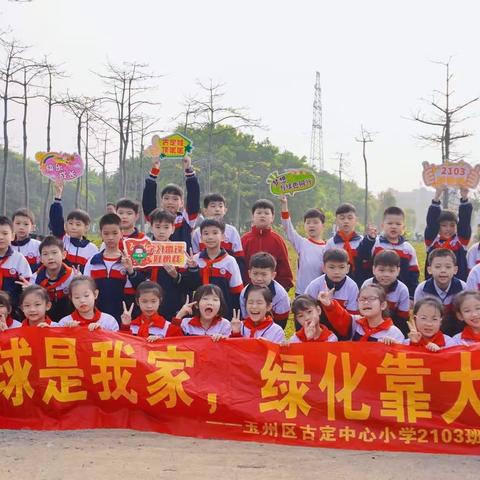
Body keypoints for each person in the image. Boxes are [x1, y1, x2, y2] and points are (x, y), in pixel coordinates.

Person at [134, 209, 198, 320]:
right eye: (158, 227)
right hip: (149, 305)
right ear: (151, 227)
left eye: (166, 227)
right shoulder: (144, 251)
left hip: (173, 304)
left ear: (173, 229)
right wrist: (131, 271)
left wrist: (176, 276)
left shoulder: (179, 252)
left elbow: (191, 285)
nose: (161, 231)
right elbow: (138, 282)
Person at [84, 214, 141, 324]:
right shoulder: (92, 262)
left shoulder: (129, 260)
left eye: (115, 233)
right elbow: (87, 290)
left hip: (123, 317)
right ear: (101, 234)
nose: (110, 237)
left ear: (122, 233)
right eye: (106, 233)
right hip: (97, 317)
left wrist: (130, 271)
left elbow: (138, 287)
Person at [358, 206, 419, 298]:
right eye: (390, 223)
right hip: (375, 292)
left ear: (403, 227)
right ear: (382, 225)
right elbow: (362, 255)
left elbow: (414, 275)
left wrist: (411, 296)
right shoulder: (375, 243)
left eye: (398, 224)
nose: (394, 226)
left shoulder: (408, 249)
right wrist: (369, 240)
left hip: (399, 294)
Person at [142, 156, 200, 251]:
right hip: (157, 262)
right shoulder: (155, 217)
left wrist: (188, 170)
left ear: (182, 203)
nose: (170, 202)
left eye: (175, 199)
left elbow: (194, 198)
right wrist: (154, 172)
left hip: (182, 264)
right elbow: (148, 202)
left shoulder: (187, 219)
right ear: (161, 202)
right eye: (166, 198)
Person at [190, 219, 243, 318]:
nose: (210, 237)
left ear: (223, 237)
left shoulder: (230, 261)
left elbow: (236, 292)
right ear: (201, 238)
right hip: (199, 313)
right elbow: (189, 287)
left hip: (223, 313)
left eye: (215, 233)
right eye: (206, 233)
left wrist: (235, 317)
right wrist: (192, 270)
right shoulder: (195, 260)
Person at [318, 283, 405, 342]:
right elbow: (340, 317)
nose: (366, 302)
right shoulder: (356, 323)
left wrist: (395, 346)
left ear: (383, 305)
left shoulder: (394, 333)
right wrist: (329, 304)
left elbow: (402, 358)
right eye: (362, 299)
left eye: (371, 298)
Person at [241, 199, 293, 291]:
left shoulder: (277, 240)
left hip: (272, 290)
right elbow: (240, 265)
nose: (262, 215)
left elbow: (283, 265)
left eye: (266, 213)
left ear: (272, 217)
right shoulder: (245, 240)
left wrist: (284, 286)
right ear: (252, 216)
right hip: (248, 289)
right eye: (259, 213)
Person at [280, 195, 326, 296]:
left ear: (323, 225)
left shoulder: (327, 248)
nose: (311, 225)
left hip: (320, 294)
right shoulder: (302, 243)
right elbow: (287, 227)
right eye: (308, 222)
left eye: (315, 222)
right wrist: (284, 204)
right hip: (302, 292)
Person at [414, 248, 465, 336]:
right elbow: (417, 316)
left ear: (455, 270)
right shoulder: (422, 289)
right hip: (429, 330)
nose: (443, 270)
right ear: (429, 270)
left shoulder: (462, 287)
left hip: (457, 331)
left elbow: (465, 315)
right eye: (438, 267)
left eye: (448, 267)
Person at [192, 193, 245, 277]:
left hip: (225, 276)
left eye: (220, 206)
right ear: (205, 211)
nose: (217, 209)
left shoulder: (232, 231)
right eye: (213, 206)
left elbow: (239, 259)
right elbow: (195, 259)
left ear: (225, 210)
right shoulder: (197, 233)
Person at [424, 186, 472, 281]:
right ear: (438, 227)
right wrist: (436, 198)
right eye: (444, 225)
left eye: (452, 225)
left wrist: (464, 199)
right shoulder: (432, 241)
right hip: (434, 287)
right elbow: (431, 223)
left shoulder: (461, 241)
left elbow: (465, 222)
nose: (448, 229)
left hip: (457, 289)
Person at [49, 180, 98, 271]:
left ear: (86, 227)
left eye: (78, 224)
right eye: (70, 223)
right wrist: (58, 195)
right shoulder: (63, 240)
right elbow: (56, 219)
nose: (73, 227)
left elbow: (93, 271)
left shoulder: (92, 248)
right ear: (65, 225)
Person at [362, 250, 410, 336]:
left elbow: (403, 319)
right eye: (382, 270)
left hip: (393, 329)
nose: (386, 274)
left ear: (398, 271)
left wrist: (394, 335)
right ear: (374, 269)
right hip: (368, 326)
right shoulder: (367, 285)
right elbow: (362, 311)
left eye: (391, 271)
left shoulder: (402, 289)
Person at [30, 236, 76, 322]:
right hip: (44, 322)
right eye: (45, 254)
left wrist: (79, 282)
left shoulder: (73, 276)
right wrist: (29, 290)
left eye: (54, 252)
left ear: (64, 255)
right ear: (41, 259)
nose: (50, 257)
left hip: (69, 321)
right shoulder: (35, 278)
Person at [239, 252, 290, 328]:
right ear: (249, 273)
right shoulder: (244, 292)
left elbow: (281, 321)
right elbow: (245, 317)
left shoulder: (280, 294)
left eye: (264, 274)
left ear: (273, 275)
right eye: (255, 274)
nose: (259, 279)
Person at [324, 203, 364, 286]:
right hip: (336, 284)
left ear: (356, 220)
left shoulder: (362, 241)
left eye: (350, 218)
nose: (346, 221)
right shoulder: (331, 243)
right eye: (342, 218)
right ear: (336, 220)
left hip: (359, 282)